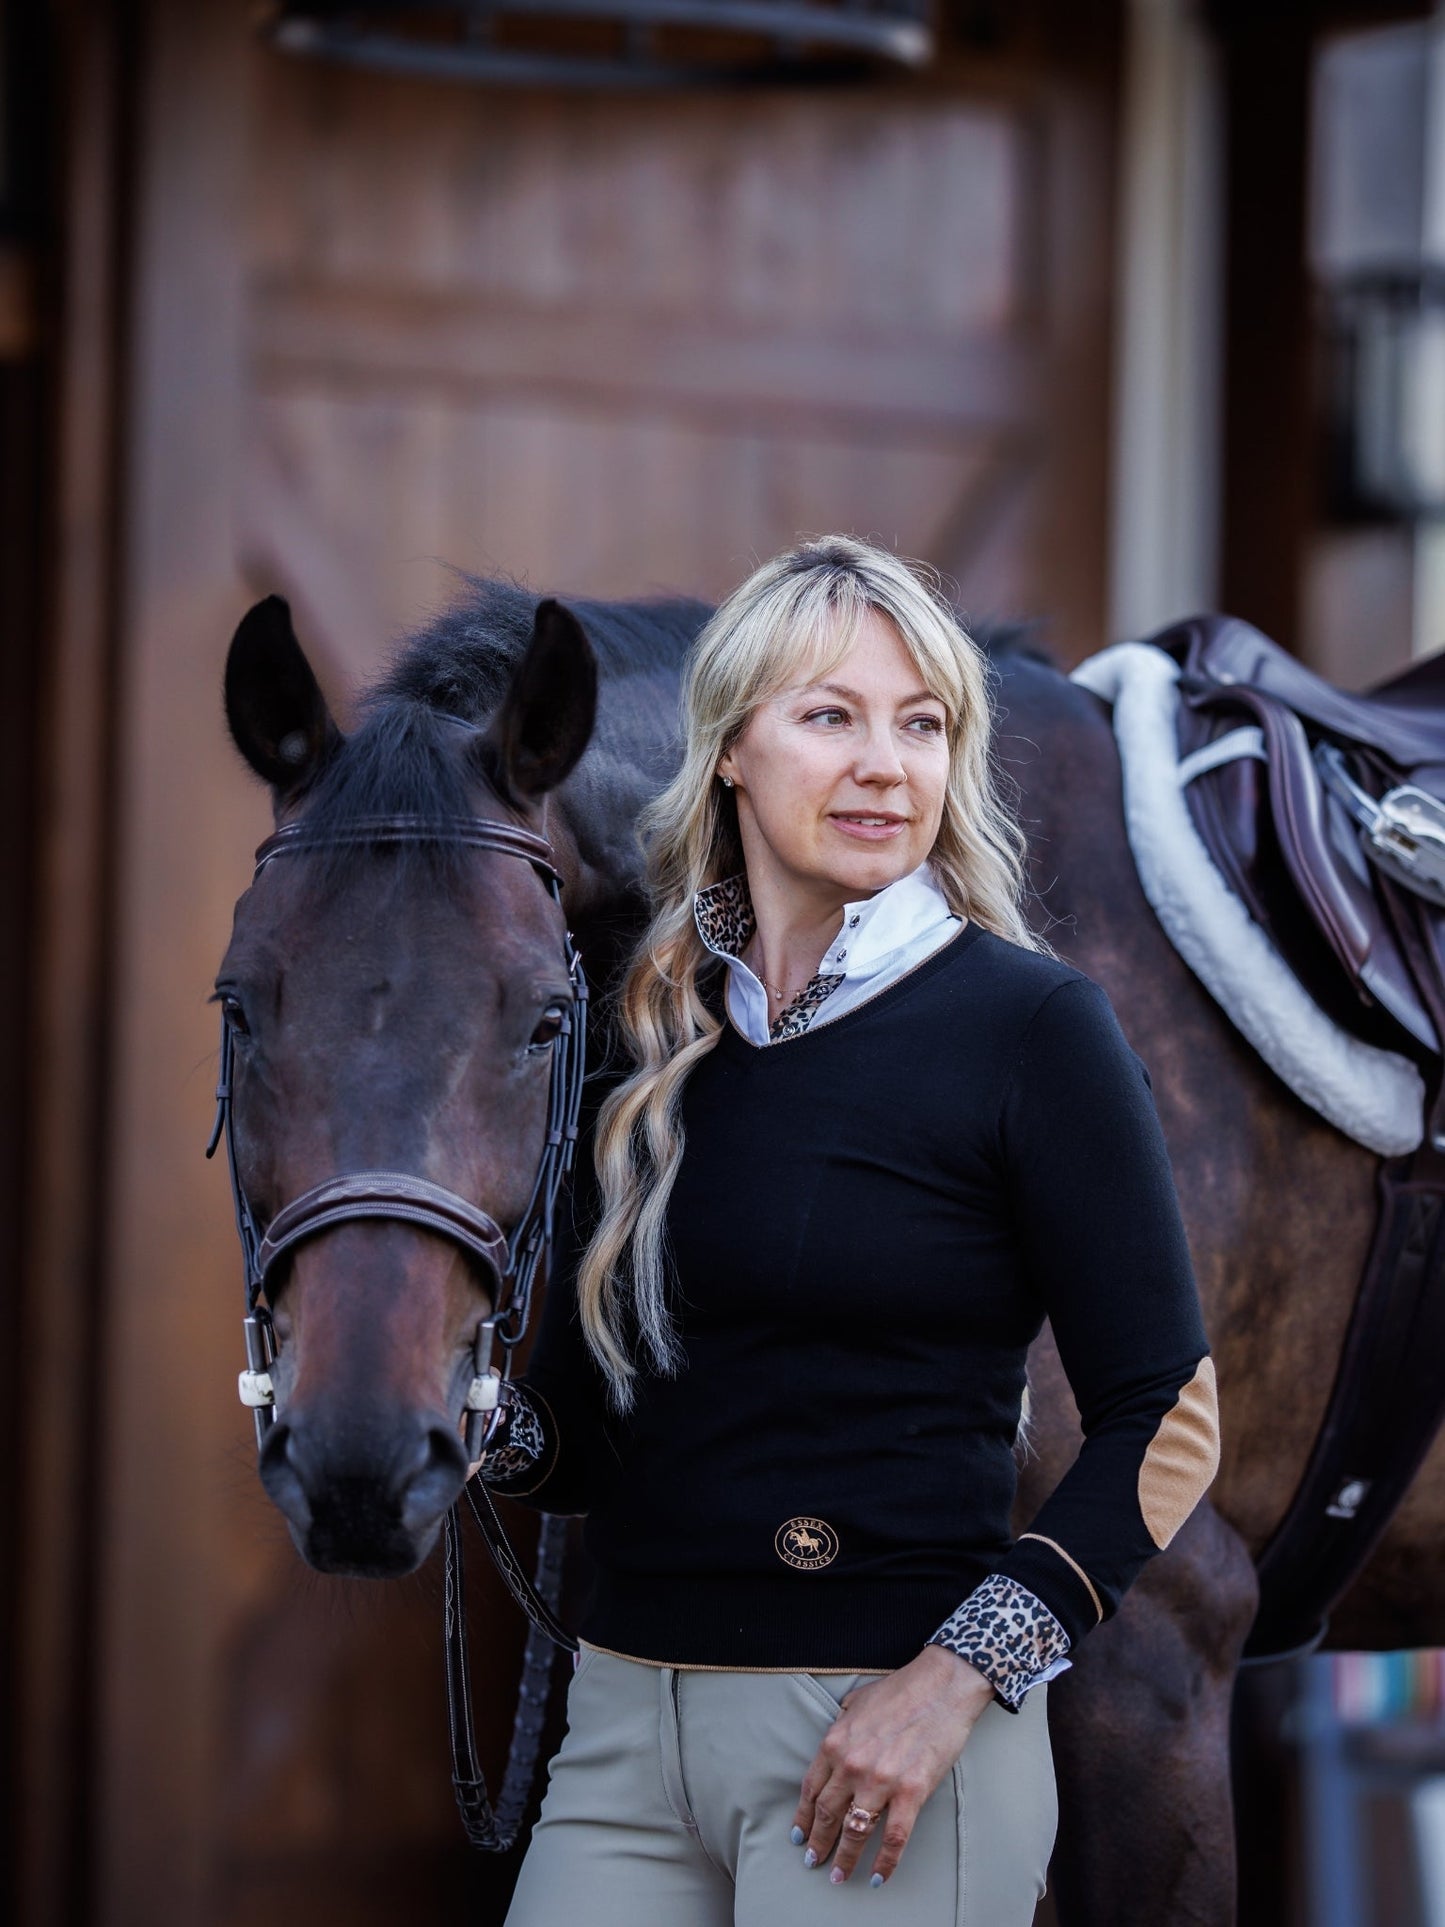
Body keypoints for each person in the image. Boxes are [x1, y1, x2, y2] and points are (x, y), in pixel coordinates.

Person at [479, 535, 1221, 1924]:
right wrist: (476, 1426)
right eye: (830, 716)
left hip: (882, 1746)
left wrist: (954, 1684)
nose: (886, 764)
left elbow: (1164, 1419)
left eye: (922, 724)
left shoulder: (1025, 1027)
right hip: (624, 1732)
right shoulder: (646, 1037)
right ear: (728, 757)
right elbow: (590, 1438)